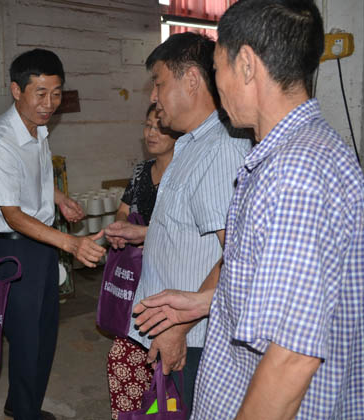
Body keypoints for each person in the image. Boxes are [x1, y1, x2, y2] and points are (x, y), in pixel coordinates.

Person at [133, 1, 364, 419]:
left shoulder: (295, 174)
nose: (217, 85)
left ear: (246, 64)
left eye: (217, 68)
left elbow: (291, 357)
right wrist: (206, 301)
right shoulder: (288, 156)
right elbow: (281, 289)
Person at [104, 32, 251, 417]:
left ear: (192, 80)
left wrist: (178, 327)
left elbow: (236, 255)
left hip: (195, 336)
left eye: (159, 83)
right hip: (178, 329)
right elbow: (190, 229)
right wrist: (146, 233)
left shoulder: (220, 150)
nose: (154, 97)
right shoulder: (190, 144)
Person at [0, 48, 106, 420]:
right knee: (27, 338)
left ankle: (21, 404)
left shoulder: (36, 129)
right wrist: (70, 242)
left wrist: (60, 199)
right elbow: (12, 215)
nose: (49, 104)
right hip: (17, 249)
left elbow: (32, 181)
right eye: (40, 93)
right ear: (17, 90)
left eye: (56, 93)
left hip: (41, 243)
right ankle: (25, 413)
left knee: (44, 332)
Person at [107, 103, 179, 419]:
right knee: (123, 358)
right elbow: (123, 211)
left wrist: (142, 233)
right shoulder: (140, 172)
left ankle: (161, 410)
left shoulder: (185, 173)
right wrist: (120, 229)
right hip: (140, 277)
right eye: (147, 125)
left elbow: (186, 233)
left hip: (174, 278)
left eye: (159, 127)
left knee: (164, 365)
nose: (150, 133)